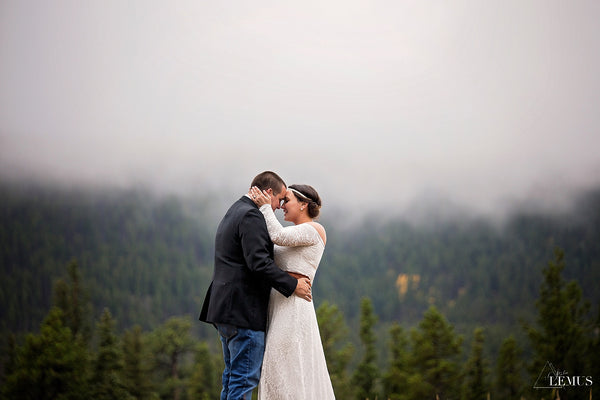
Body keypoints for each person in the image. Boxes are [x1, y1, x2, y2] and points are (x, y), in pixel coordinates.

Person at [199, 171, 313, 400]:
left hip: (225, 309)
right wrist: (293, 285)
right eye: (280, 199)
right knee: (243, 381)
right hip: (243, 312)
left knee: (232, 378)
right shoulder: (251, 216)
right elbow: (259, 264)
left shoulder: (234, 210)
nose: (279, 206)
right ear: (268, 192)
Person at [249, 183, 336, 400]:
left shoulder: (315, 230)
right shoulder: (294, 232)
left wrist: (265, 206)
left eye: (287, 200)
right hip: (278, 304)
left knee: (287, 364)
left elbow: (277, 236)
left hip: (294, 308)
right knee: (277, 365)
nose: (282, 205)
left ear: (304, 204)